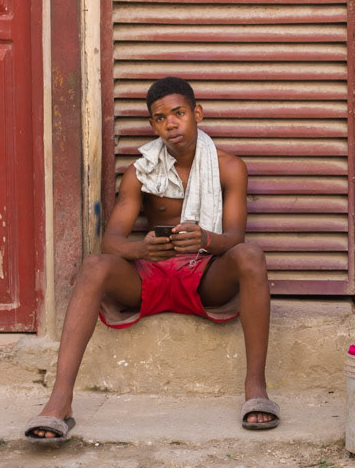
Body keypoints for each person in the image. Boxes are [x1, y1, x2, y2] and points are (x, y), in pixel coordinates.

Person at [25, 77, 276, 442]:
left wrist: (206, 239)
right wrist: (140, 250)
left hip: (205, 276)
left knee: (251, 255)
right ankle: (59, 401)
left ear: (197, 114)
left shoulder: (230, 167)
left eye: (179, 113)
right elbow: (111, 240)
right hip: (151, 275)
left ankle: (256, 388)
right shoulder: (141, 171)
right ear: (152, 126)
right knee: (94, 265)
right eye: (160, 118)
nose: (170, 124)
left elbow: (236, 238)